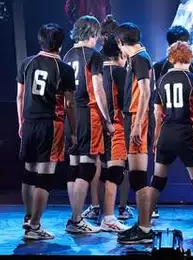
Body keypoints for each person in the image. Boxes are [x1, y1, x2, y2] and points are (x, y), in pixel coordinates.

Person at [119, 42, 193, 244]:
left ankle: (145, 224)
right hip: (187, 134)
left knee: (157, 181)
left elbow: (157, 113)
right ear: (190, 57)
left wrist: (157, 137)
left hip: (167, 133)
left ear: (171, 58)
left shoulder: (162, 79)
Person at [17, 23, 76, 240]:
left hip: (29, 123)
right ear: (60, 44)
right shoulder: (64, 69)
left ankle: (29, 217)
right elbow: (69, 104)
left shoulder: (26, 63)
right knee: (44, 176)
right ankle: (34, 226)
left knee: (29, 173)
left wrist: (21, 122)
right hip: (51, 124)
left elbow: (20, 96)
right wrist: (73, 131)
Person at [62, 16, 114, 234]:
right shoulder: (93, 56)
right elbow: (98, 90)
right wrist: (107, 121)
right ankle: (76, 219)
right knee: (88, 166)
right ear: (93, 33)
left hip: (69, 114)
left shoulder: (67, 55)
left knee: (73, 167)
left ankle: (75, 217)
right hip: (86, 112)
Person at [151, 25, 193, 219]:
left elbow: (157, 105)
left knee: (161, 173)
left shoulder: (162, 67)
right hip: (183, 126)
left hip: (171, 126)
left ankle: (152, 210)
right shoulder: (188, 66)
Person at [115, 23, 154, 244]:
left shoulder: (140, 58)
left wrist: (138, 124)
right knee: (136, 175)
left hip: (138, 118)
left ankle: (145, 228)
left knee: (139, 177)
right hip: (133, 117)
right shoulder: (138, 58)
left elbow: (146, 92)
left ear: (121, 42)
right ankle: (142, 226)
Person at [98, 31, 131, 232]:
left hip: (97, 127)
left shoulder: (97, 70)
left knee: (102, 173)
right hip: (115, 126)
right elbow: (126, 103)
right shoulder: (119, 72)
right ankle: (108, 218)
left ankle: (103, 213)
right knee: (115, 172)